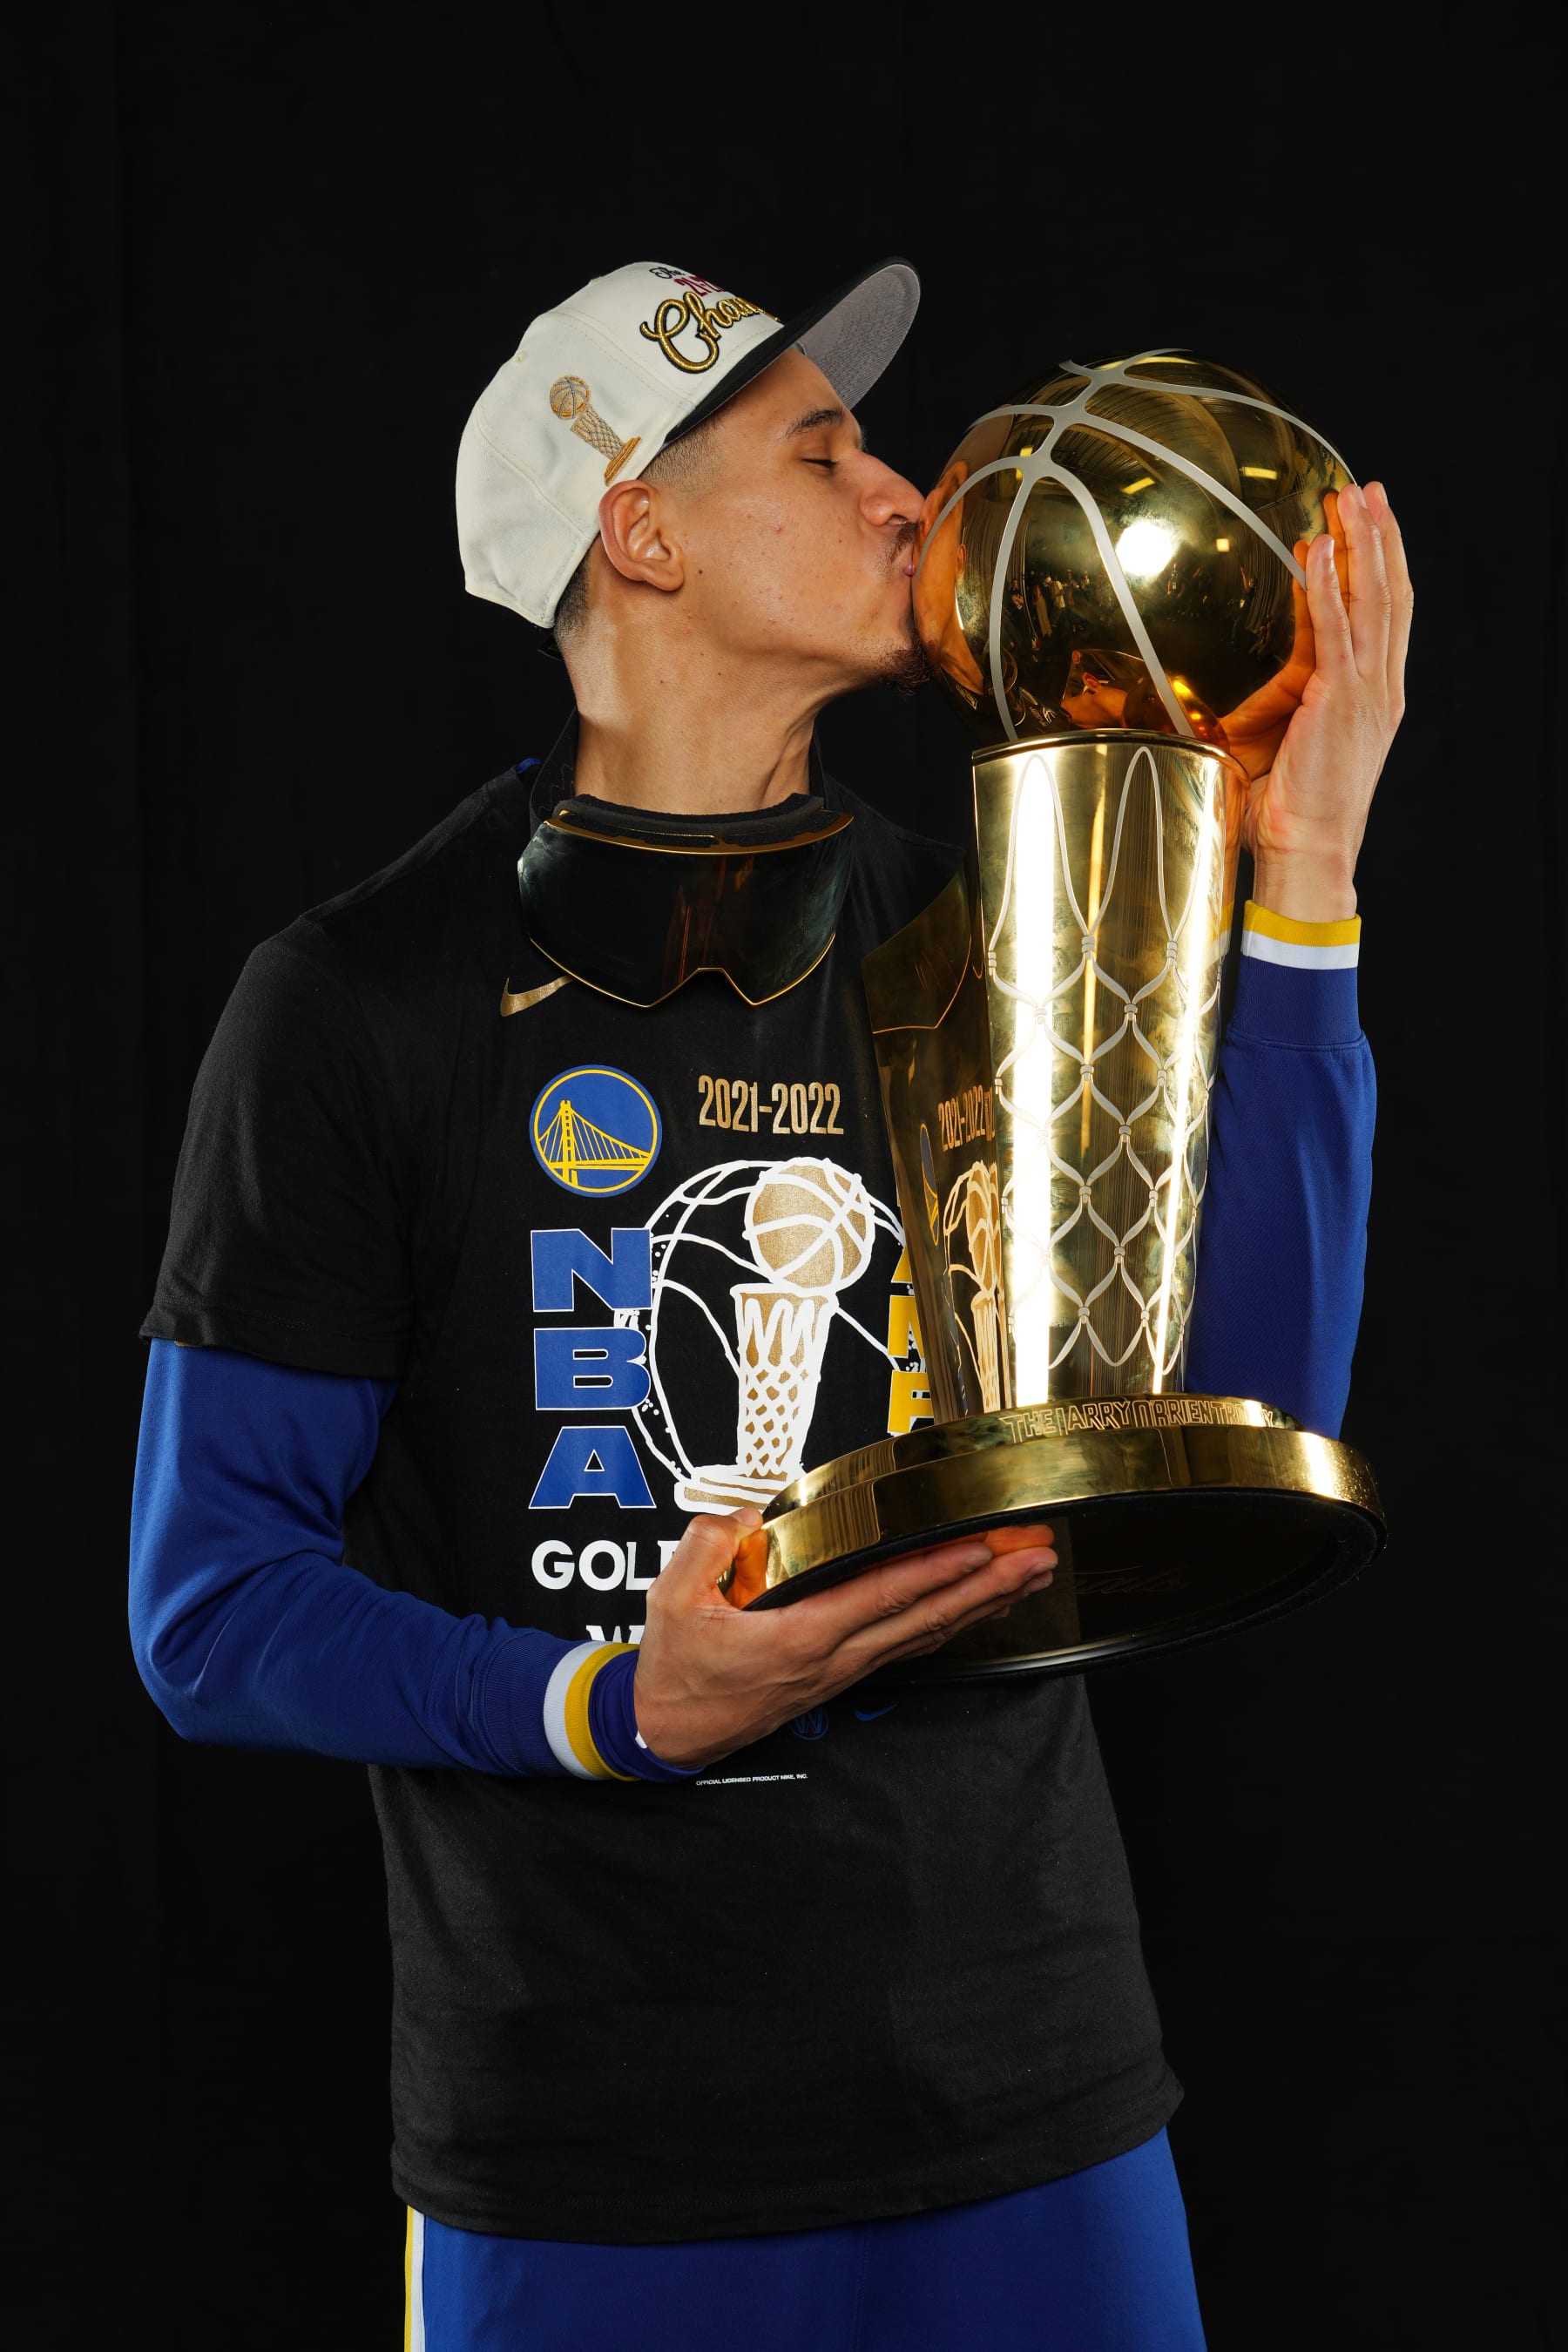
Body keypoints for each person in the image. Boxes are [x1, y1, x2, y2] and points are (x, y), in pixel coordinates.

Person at [130, 258, 1410, 2350]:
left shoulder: (978, 925)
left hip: (1030, 2104)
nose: (911, 494)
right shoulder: (361, 1002)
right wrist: (619, 1707)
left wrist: (1309, 873)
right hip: (590, 2151)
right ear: (640, 533)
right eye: (824, 452)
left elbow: (1240, 1432)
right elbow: (208, 1609)